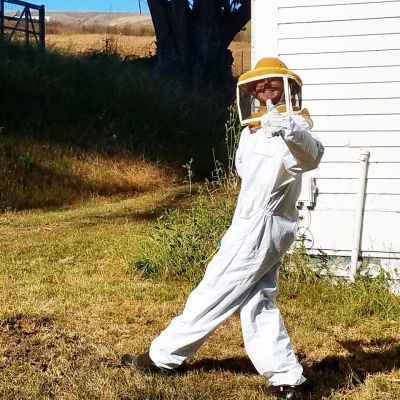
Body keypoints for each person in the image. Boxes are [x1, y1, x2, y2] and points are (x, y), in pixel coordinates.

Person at [121, 58, 324, 399]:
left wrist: (288, 129)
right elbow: (248, 181)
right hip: (252, 224)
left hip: (266, 223)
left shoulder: (293, 130)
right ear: (250, 93)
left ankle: (162, 357)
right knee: (257, 300)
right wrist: (234, 230)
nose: (265, 90)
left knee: (212, 290)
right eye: (258, 86)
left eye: (272, 83)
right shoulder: (250, 132)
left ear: (289, 88)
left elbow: (312, 155)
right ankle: (288, 379)